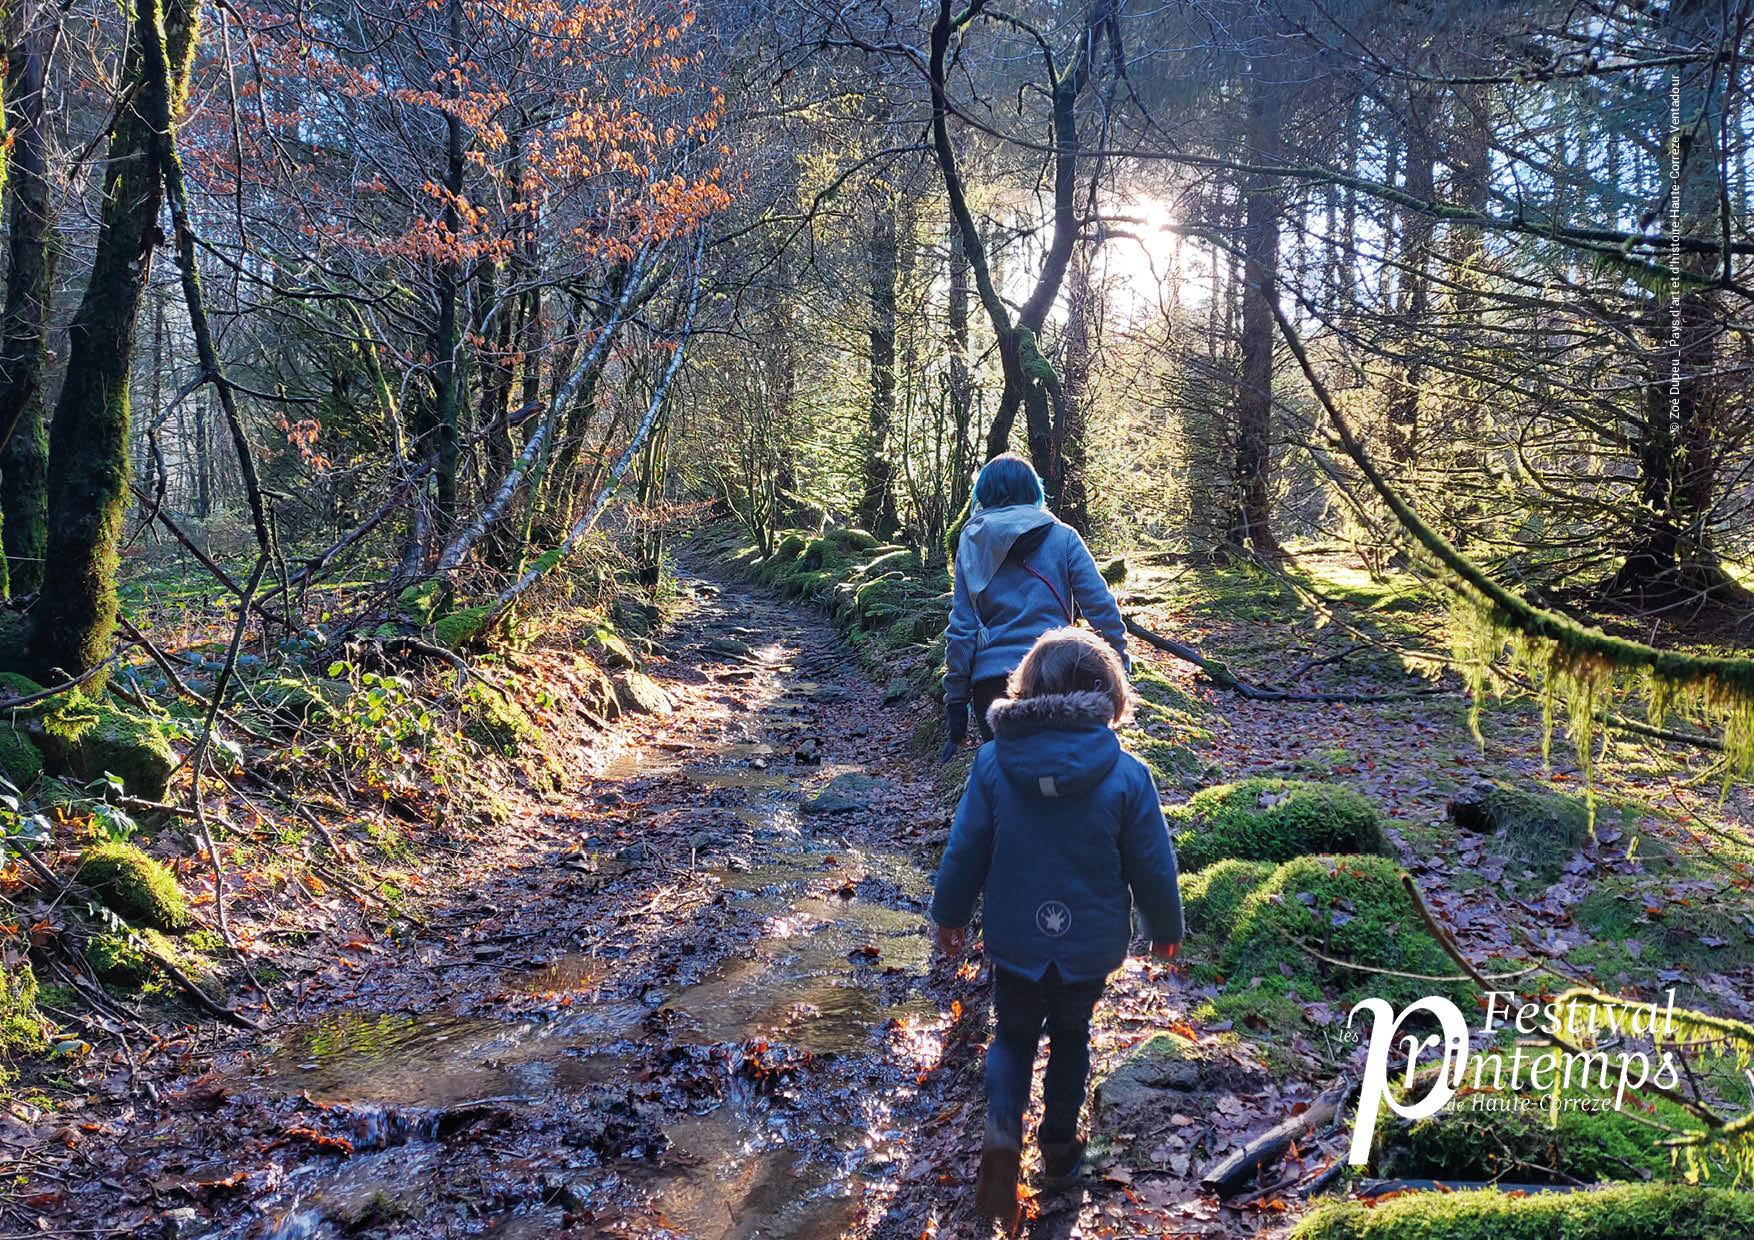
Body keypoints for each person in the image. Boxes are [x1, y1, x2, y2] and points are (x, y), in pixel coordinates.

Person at [929, 627, 1183, 1225]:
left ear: (1025, 687)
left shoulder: (993, 762)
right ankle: (1061, 1151)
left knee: (1013, 1037)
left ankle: (1001, 1132)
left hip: (1016, 936)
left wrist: (951, 915)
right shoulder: (1126, 774)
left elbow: (966, 848)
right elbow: (1152, 862)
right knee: (1072, 1038)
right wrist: (1163, 926)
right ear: (1110, 696)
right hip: (1087, 945)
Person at [942, 453, 1128, 758]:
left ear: (983, 494)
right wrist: (1119, 664)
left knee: (1012, 781)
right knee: (1069, 771)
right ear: (1034, 491)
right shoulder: (1063, 536)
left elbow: (962, 628)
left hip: (993, 685)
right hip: (1058, 674)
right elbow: (1101, 608)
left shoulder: (971, 542)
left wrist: (956, 702)